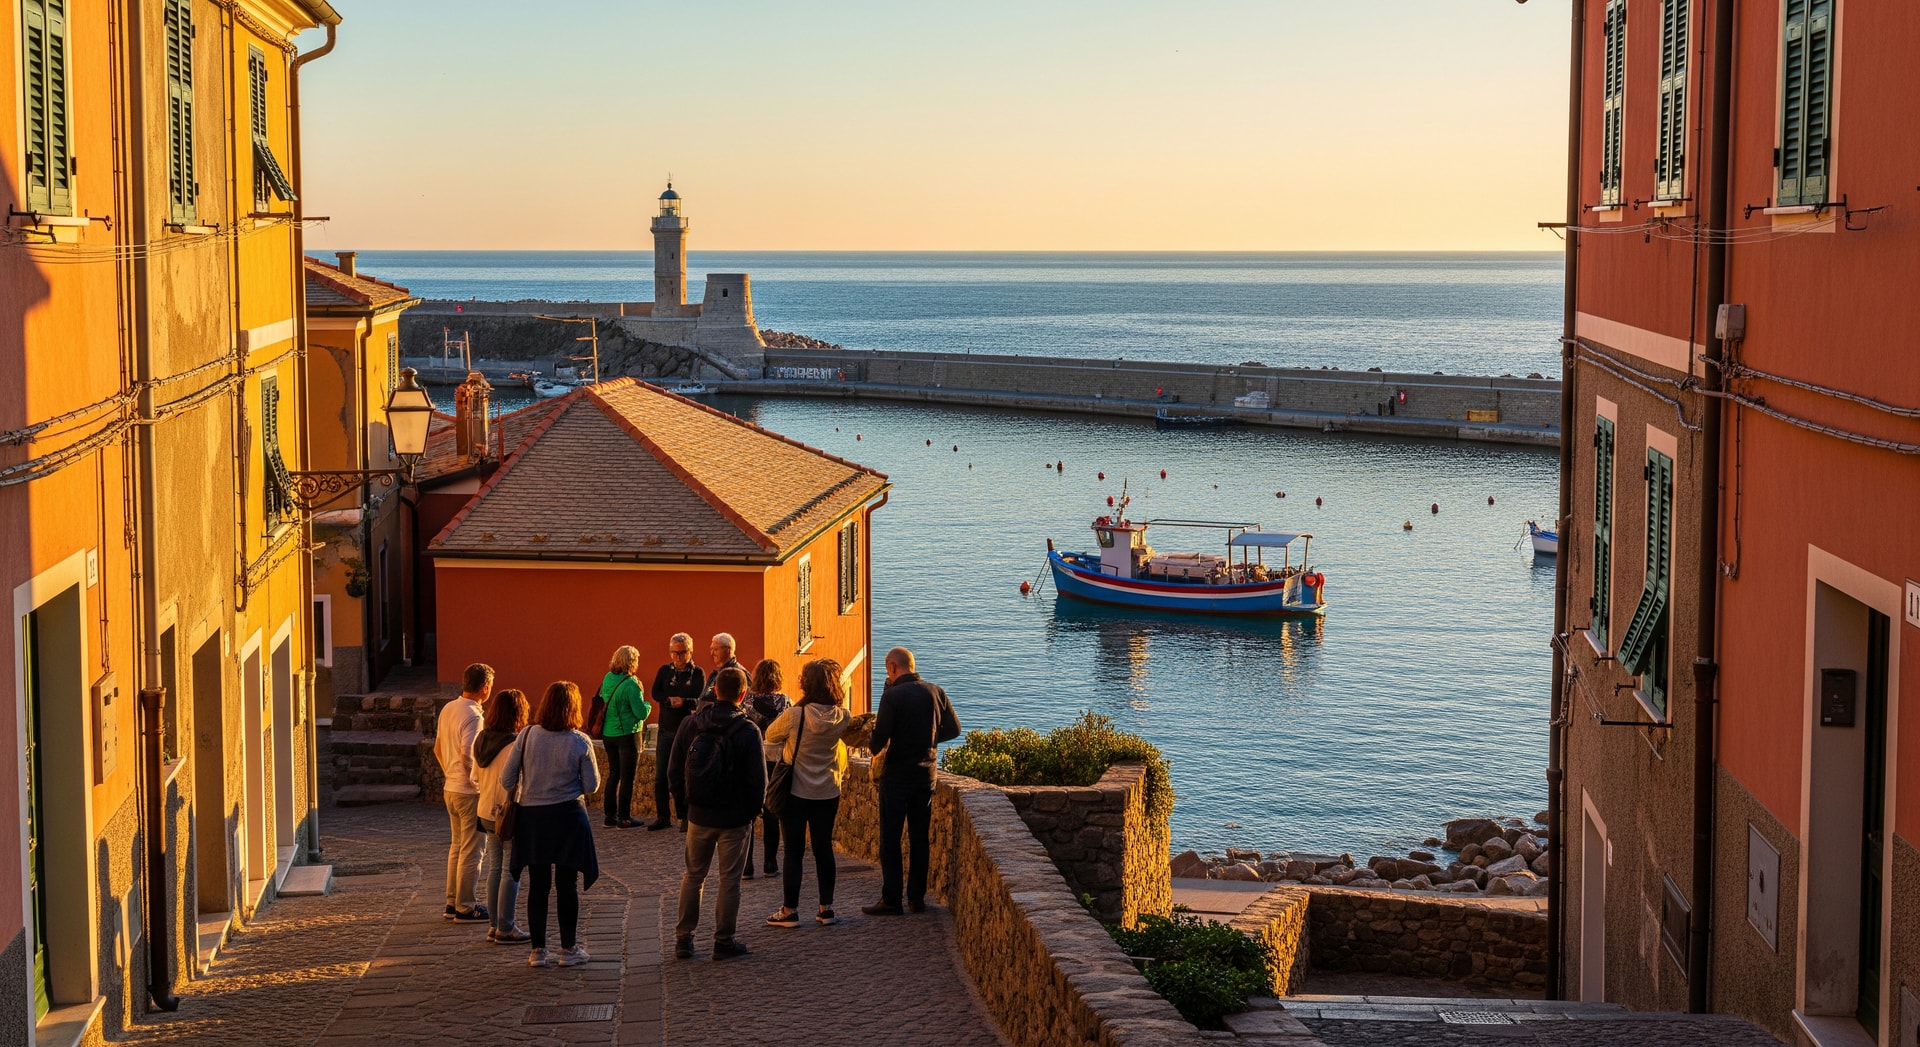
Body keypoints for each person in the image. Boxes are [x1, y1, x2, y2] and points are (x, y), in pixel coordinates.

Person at [762, 659, 873, 929]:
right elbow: (855, 734)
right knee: (824, 848)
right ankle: (826, 909)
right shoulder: (841, 717)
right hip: (827, 790)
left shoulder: (795, 716)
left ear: (806, 684)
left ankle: (789, 911)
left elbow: (770, 735)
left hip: (796, 790)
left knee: (793, 851)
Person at [501, 681, 603, 968]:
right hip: (568, 817)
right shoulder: (580, 741)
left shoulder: (527, 735)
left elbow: (507, 779)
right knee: (566, 884)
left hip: (533, 819)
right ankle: (568, 950)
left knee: (538, 884)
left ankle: (537, 951)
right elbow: (592, 786)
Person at [669, 666, 765, 961]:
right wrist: (750, 815)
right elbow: (758, 781)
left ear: (715, 691)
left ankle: (684, 940)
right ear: (743, 694)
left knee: (693, 877)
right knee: (729, 880)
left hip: (699, 814)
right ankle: (723, 941)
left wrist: (685, 810)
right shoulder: (748, 730)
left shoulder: (691, 724)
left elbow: (673, 771)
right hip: (734, 817)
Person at [862, 647, 960, 917]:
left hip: (896, 778)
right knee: (919, 839)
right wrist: (927, 741)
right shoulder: (935, 691)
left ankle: (891, 899)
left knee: (890, 839)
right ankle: (916, 898)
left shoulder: (892, 696)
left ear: (893, 667)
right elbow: (955, 728)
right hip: (926, 775)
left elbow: (877, 741)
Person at [435, 662, 493, 922]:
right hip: (467, 792)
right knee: (473, 850)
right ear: (485, 687)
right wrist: (475, 783)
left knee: (457, 847)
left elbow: (437, 748)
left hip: (450, 788)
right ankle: (466, 906)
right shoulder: (474, 715)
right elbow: (468, 754)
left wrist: (450, 773)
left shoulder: (448, 708)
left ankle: (452, 902)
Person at [473, 688, 531, 944]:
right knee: (510, 869)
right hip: (506, 813)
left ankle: (494, 925)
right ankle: (506, 926)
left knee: (494, 867)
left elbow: (474, 777)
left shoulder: (481, 739)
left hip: (485, 809)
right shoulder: (514, 744)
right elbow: (519, 780)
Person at [647, 633, 705, 831]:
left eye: (682, 653)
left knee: (686, 774)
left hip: (688, 731)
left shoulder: (697, 673)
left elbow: (700, 697)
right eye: (674, 653)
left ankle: (685, 816)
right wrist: (668, 700)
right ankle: (663, 816)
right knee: (661, 776)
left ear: (690, 652)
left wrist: (685, 702)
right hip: (666, 729)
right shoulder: (664, 671)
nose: (678, 657)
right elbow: (656, 693)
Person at [741, 659, 792, 879]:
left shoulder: (747, 702)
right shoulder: (785, 702)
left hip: (751, 760)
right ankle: (770, 863)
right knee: (772, 812)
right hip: (776, 761)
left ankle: (746, 866)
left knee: (749, 814)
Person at [598, 646, 652, 829]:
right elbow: (640, 713)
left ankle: (609, 817)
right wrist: (647, 704)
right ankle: (624, 818)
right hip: (628, 735)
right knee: (627, 777)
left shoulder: (608, 678)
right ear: (631, 662)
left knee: (613, 774)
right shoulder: (631, 684)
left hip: (608, 734)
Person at [696, 632, 745, 707]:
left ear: (728, 650)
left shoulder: (738, 674)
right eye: (711, 649)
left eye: (715, 649)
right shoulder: (715, 674)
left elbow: (744, 703)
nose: (712, 653)